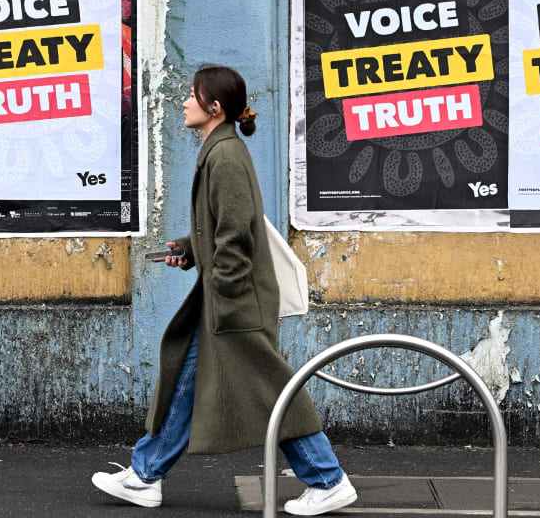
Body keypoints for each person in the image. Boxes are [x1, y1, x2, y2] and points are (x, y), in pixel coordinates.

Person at [92, 64, 357, 516]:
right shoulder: (219, 149)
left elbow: (236, 233)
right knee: (187, 380)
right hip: (226, 297)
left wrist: (225, 295)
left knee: (270, 388)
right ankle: (145, 473)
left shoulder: (226, 155)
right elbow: (219, 226)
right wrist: (188, 248)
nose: (184, 102)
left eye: (192, 96)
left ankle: (328, 479)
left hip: (234, 301)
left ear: (214, 108)